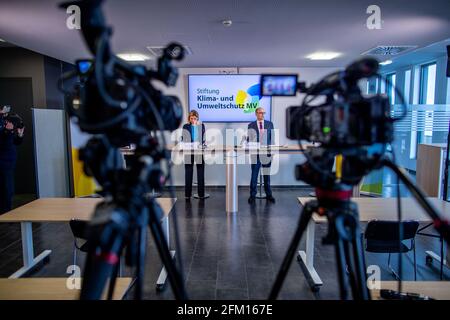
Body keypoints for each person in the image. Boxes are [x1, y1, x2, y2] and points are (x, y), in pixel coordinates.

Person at [247, 107, 275, 204]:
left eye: (263, 113)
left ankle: (269, 195)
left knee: (267, 175)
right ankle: (252, 195)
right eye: (260, 113)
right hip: (255, 154)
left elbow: (272, 139)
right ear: (256, 113)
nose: (262, 114)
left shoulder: (269, 124)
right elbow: (249, 140)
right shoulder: (251, 125)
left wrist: (272, 152)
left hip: (267, 154)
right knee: (254, 175)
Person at [0, 106, 25, 214]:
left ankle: (6, 211)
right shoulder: (4, 127)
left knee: (8, 188)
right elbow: (3, 144)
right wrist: (8, 132)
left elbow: (16, 142)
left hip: (9, 161)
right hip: (3, 161)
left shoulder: (6, 124)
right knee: (6, 188)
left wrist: (19, 134)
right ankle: (5, 212)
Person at [181, 110, 206, 200]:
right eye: (191, 118)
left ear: (197, 118)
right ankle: (187, 195)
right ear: (189, 118)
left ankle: (201, 194)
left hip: (199, 151)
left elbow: (202, 138)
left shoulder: (201, 126)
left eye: (195, 118)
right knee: (188, 172)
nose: (193, 120)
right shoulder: (186, 126)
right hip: (188, 151)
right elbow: (183, 138)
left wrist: (198, 126)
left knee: (200, 172)